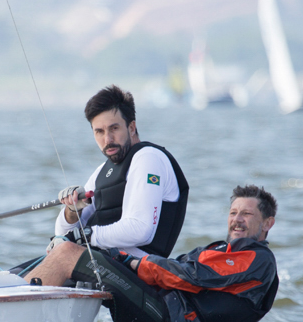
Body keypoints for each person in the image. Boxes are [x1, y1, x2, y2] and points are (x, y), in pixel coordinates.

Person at [23, 85, 189, 287]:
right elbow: (63, 233)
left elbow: (141, 229)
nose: (107, 139)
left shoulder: (148, 158)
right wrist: (72, 210)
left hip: (137, 272)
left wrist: (83, 237)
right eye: (99, 132)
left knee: (65, 253)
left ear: (132, 127)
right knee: (22, 270)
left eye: (114, 129)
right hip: (101, 263)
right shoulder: (103, 170)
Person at [101, 184, 280, 322]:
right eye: (233, 213)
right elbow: (175, 268)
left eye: (247, 214)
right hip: (157, 312)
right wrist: (127, 263)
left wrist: (134, 262)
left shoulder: (259, 260)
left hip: (158, 320)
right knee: (101, 259)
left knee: (90, 258)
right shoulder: (219, 250)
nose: (237, 219)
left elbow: (190, 277)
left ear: (267, 223)